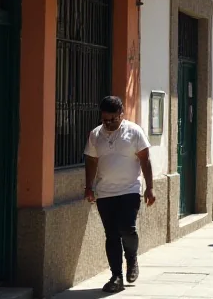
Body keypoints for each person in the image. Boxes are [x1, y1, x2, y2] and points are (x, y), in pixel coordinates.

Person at [84, 96, 156, 293]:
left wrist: (150, 187)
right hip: (105, 192)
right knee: (111, 234)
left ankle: (131, 259)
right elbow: (91, 161)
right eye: (104, 119)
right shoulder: (95, 135)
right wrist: (88, 186)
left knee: (127, 228)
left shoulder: (134, 132)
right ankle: (116, 276)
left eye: (112, 119)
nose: (108, 123)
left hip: (129, 189)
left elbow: (145, 160)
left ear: (121, 114)